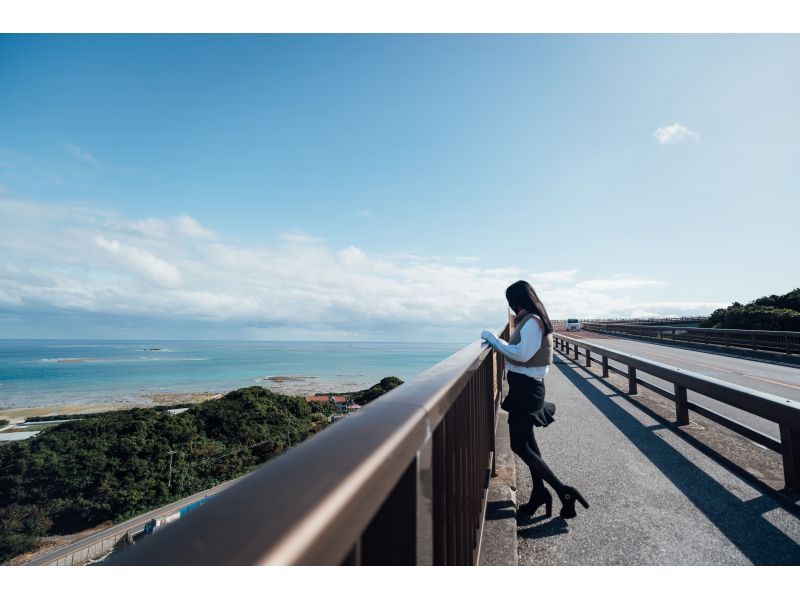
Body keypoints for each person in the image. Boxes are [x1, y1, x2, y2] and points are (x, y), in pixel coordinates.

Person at [481, 280, 588, 519]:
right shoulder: (533, 321)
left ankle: (564, 491)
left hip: (526, 390)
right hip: (526, 388)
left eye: (512, 304)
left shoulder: (532, 322)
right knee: (529, 444)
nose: (512, 309)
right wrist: (501, 343)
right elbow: (521, 350)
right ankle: (539, 493)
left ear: (517, 301)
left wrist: (492, 339)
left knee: (519, 446)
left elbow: (521, 354)